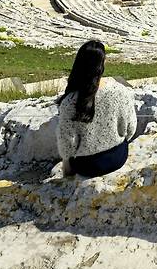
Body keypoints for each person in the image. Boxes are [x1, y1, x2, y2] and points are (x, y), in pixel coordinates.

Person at [57, 40, 137, 178]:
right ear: (103, 63)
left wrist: (67, 164)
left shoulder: (69, 102)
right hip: (117, 157)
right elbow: (131, 128)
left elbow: (67, 145)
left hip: (87, 166)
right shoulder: (120, 91)